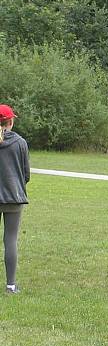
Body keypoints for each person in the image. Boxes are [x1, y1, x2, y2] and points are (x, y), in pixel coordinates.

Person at [0, 104, 30, 294]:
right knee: (10, 240)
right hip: (13, 197)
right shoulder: (20, 143)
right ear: (11, 121)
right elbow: (26, 174)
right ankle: (11, 285)